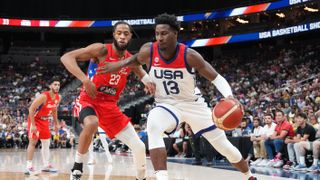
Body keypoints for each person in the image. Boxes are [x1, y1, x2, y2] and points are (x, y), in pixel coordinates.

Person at [98, 13, 256, 180]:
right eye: (157, 34)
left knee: (224, 147)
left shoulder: (189, 55)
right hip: (166, 104)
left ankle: (249, 176)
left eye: (164, 33)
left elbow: (216, 77)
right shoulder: (149, 50)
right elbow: (134, 61)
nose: (160, 38)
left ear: (175, 34)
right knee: (153, 124)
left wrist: (230, 96)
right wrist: (116, 65)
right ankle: (162, 177)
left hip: (193, 104)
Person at [61, 21, 155, 180]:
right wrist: (85, 80)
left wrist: (149, 82)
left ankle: (141, 178)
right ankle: (77, 167)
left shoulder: (129, 59)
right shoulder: (102, 49)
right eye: (119, 33)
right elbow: (66, 57)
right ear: (114, 35)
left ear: (131, 36)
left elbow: (139, 70)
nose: (122, 36)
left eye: (126, 33)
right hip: (89, 99)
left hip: (110, 106)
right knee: (91, 123)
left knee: (139, 146)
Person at [25, 79, 61, 175]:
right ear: (50, 86)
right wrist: (32, 124)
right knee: (33, 142)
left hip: (44, 121)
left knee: (46, 142)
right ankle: (29, 167)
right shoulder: (44, 96)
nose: (57, 86)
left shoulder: (58, 97)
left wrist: (56, 123)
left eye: (58, 85)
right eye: (55, 84)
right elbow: (31, 108)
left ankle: (46, 165)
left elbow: (54, 110)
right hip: (35, 120)